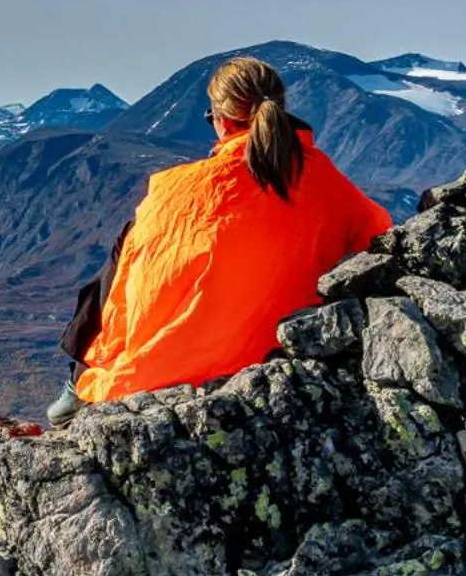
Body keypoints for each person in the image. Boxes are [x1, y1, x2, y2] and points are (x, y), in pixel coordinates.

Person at [47, 55, 393, 426]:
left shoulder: (180, 190)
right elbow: (376, 233)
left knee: (130, 239)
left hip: (169, 364)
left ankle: (78, 381)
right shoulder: (328, 181)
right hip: (277, 348)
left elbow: (131, 290)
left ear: (223, 120)